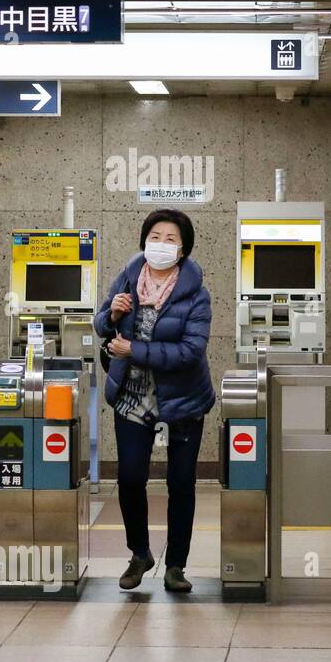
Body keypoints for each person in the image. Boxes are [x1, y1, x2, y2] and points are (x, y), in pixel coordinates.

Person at [94, 209, 214, 593]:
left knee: (181, 483)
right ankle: (140, 553)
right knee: (130, 478)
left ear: (183, 248)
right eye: (155, 236)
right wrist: (112, 313)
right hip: (132, 396)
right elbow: (99, 321)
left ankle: (176, 565)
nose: (161, 244)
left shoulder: (197, 294)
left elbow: (190, 350)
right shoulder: (130, 275)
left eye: (170, 239)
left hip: (182, 401)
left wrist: (135, 349)